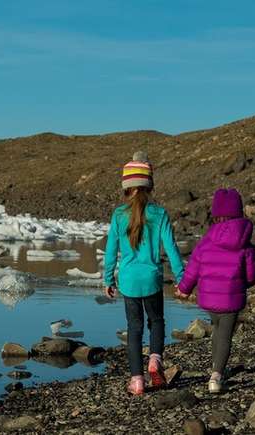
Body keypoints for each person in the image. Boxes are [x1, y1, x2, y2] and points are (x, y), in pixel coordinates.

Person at [103, 151, 184, 395]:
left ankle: (137, 380)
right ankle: (155, 360)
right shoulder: (159, 214)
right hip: (151, 280)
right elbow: (171, 249)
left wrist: (108, 278)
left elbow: (110, 251)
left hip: (128, 281)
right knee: (156, 320)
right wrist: (182, 280)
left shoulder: (119, 215)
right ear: (148, 186)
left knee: (134, 328)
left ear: (127, 187)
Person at [174, 188, 255, 393]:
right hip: (231, 298)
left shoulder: (206, 241)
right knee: (224, 334)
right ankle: (216, 375)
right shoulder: (244, 244)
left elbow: (193, 268)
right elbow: (252, 274)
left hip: (208, 297)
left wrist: (184, 289)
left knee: (217, 328)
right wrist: (242, 283)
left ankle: (216, 367)